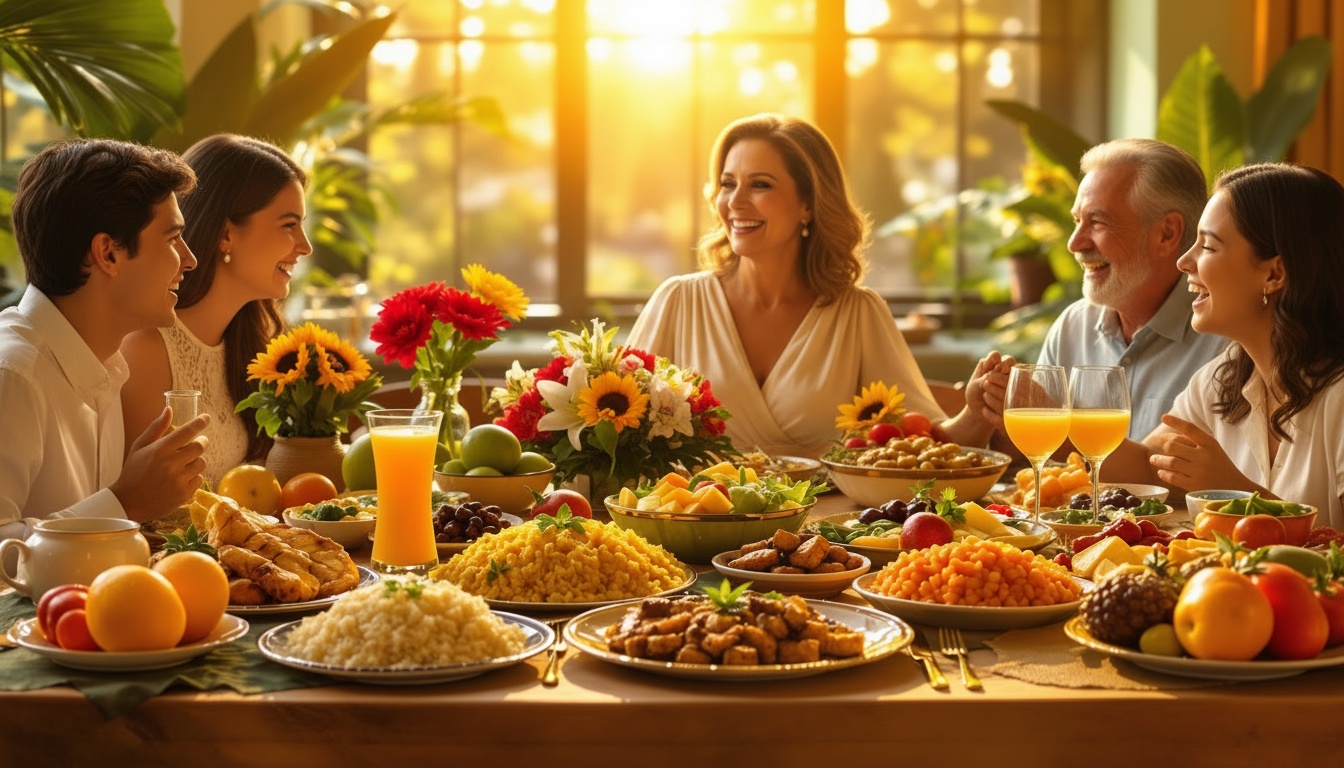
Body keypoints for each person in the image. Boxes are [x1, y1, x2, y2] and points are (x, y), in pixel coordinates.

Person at [626, 113, 999, 459]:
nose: (735, 201)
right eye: (728, 184)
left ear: (807, 204)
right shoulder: (678, 302)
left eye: (760, 185)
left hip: (824, 528)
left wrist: (976, 414)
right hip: (692, 522)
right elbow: (611, 436)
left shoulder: (858, 314)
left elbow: (924, 451)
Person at [1110, 163, 1344, 530]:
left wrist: (1237, 495)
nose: (1184, 261)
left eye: (1209, 246)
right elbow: (1151, 466)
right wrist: (1044, 414)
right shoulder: (1225, 377)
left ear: (1273, 274)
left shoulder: (1339, 398)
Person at [0, 139, 209, 541]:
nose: (189, 259)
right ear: (107, 254)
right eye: (171, 239)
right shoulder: (13, 376)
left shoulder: (106, 366)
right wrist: (125, 503)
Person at [120, 134, 311, 487]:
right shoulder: (147, 347)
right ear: (226, 234)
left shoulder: (256, 341)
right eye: (289, 225)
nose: (305, 246)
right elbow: (138, 504)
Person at [1032, 137, 1228, 439]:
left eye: (1097, 223)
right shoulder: (1073, 327)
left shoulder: (1225, 342)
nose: (1074, 243)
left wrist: (1057, 434)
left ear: (1166, 233)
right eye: (1077, 221)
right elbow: (1038, 462)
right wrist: (988, 414)